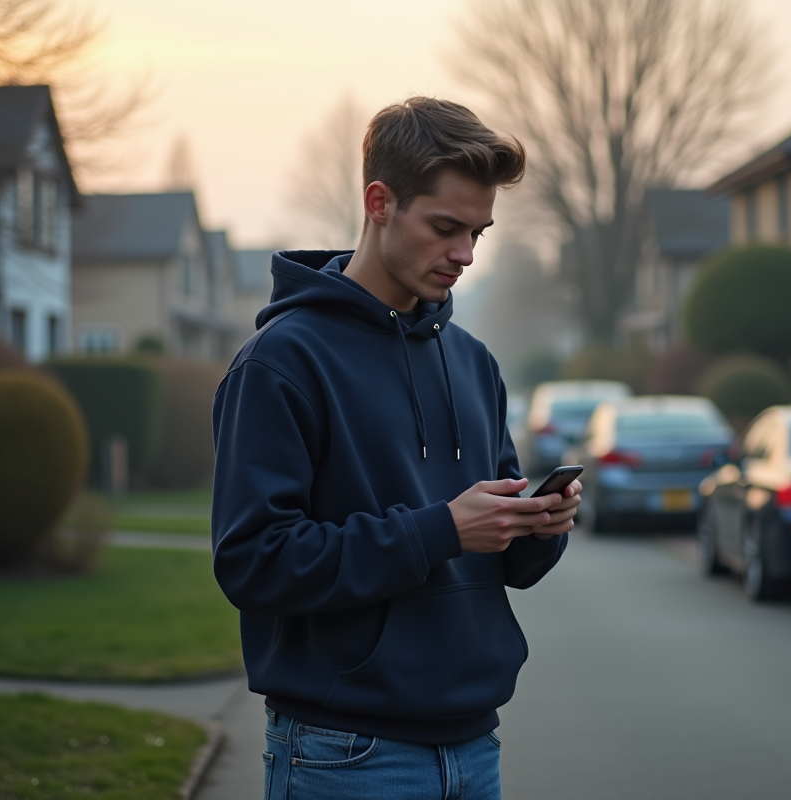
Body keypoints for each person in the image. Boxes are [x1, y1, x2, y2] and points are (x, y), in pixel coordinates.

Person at [211, 96, 581, 800]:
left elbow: (501, 557)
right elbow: (253, 563)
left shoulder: (473, 363)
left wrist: (538, 527)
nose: (465, 255)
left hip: (475, 748)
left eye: (479, 233)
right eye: (445, 228)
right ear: (380, 202)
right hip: (344, 755)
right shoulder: (280, 364)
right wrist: (440, 528)